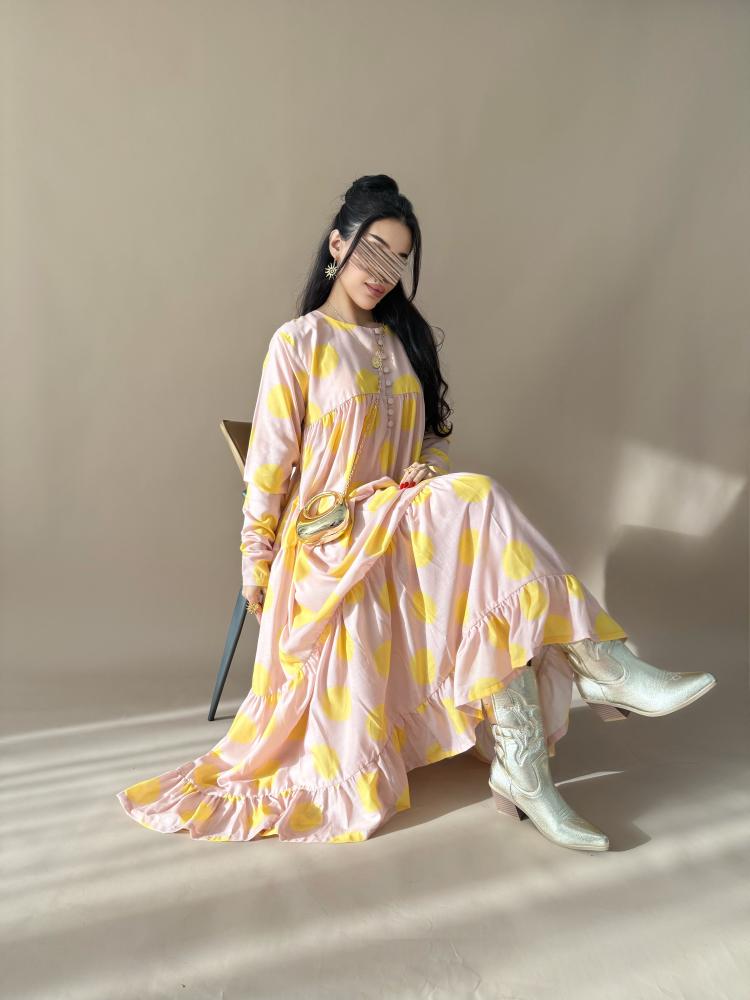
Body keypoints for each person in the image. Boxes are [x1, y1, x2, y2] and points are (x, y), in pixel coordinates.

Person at [116, 174, 716, 850]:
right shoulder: (298, 343)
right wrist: (256, 562)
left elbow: (433, 436)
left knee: (485, 563)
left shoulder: (406, 340)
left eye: (399, 260)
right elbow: (268, 471)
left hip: (401, 522)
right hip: (329, 543)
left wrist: (426, 468)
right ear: (338, 246)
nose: (384, 272)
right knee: (480, 501)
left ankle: (528, 767)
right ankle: (601, 669)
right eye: (374, 251)